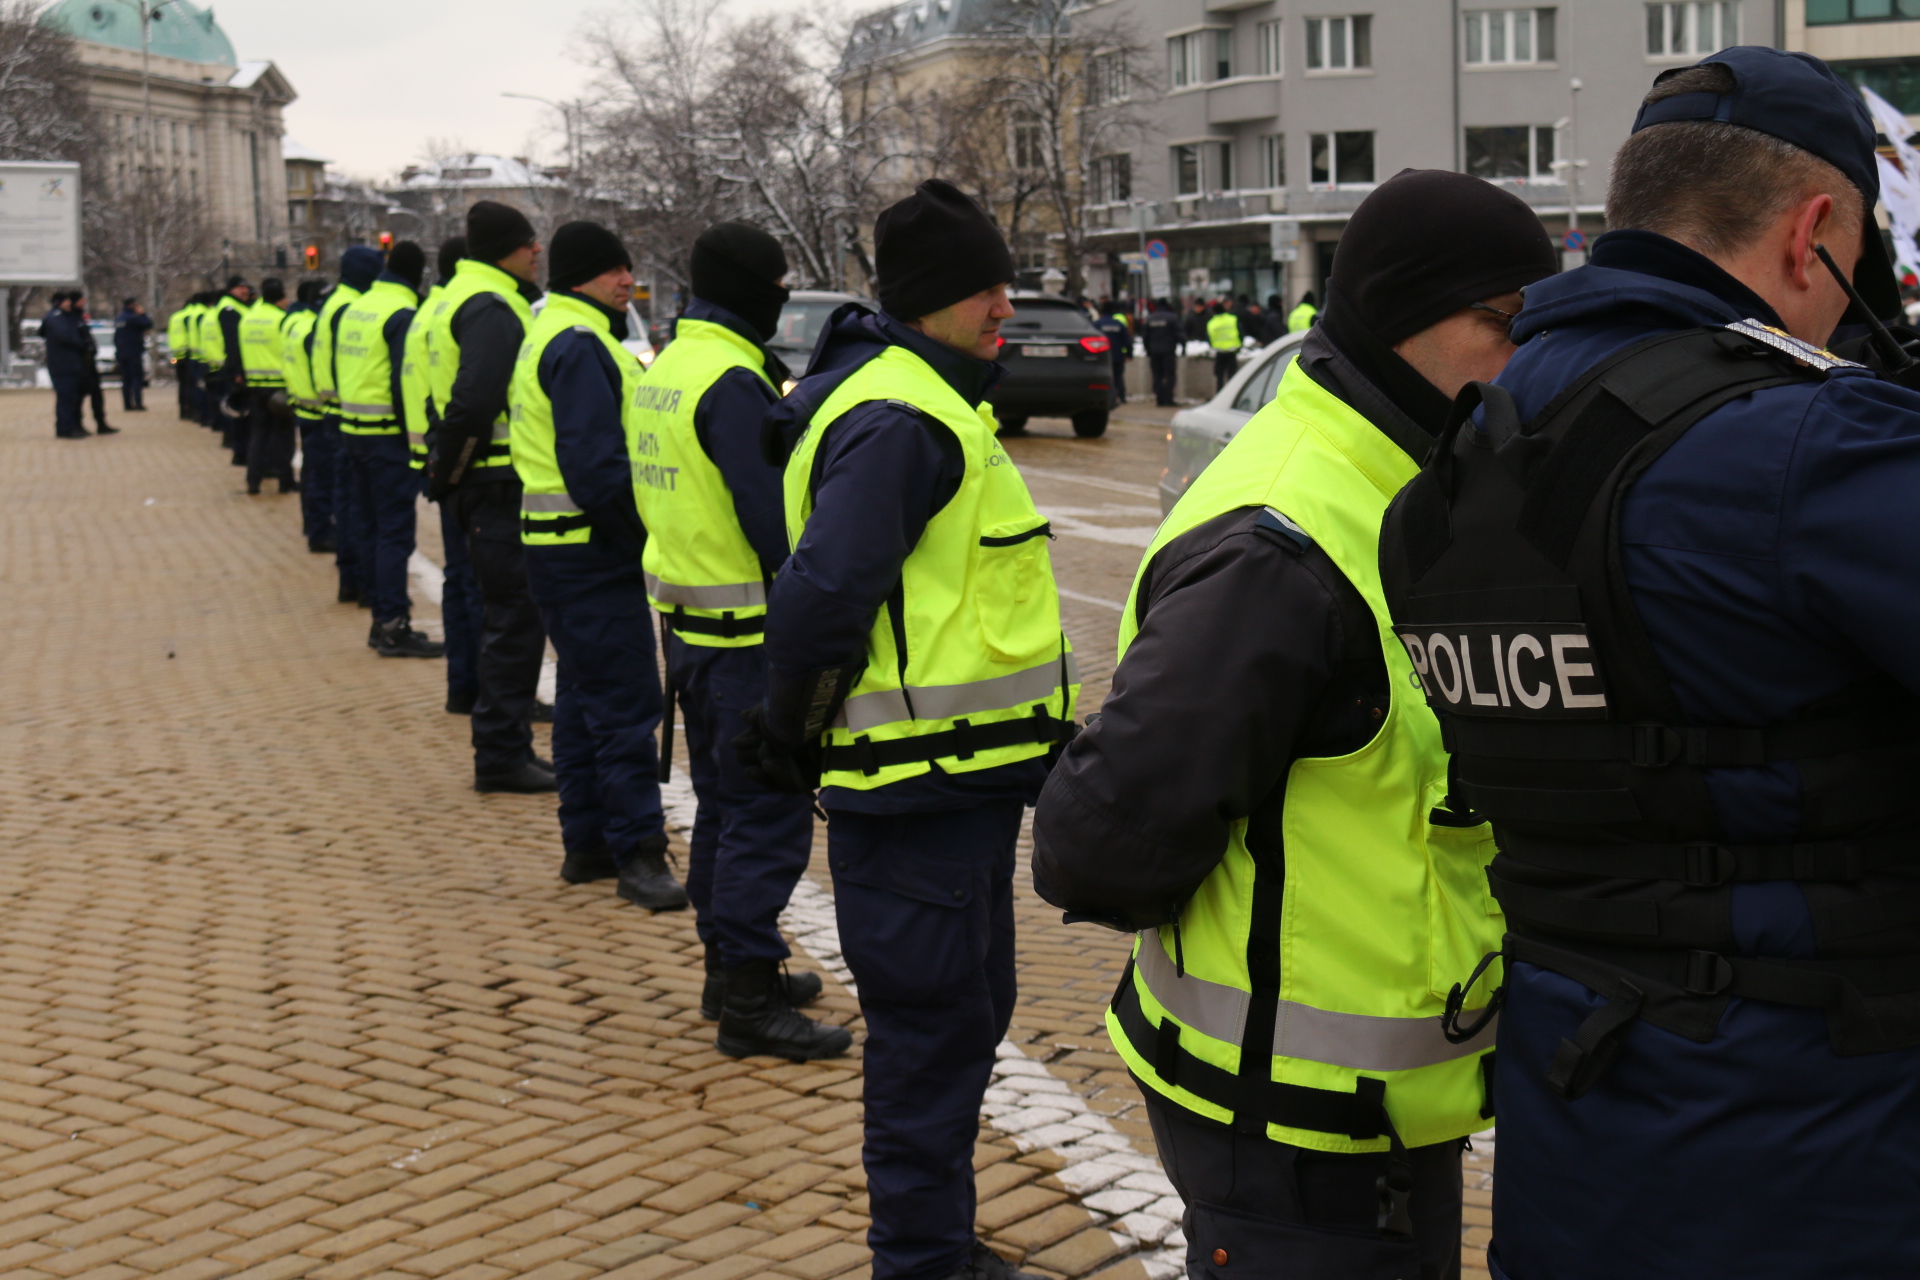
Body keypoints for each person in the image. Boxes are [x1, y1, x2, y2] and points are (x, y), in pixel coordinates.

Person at [1377, 49, 1920, 1280]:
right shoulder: (1806, 451)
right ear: (1815, 231)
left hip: (1584, 1141)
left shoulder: (1450, 488)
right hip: (1828, 1160)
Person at [1033, 168, 1556, 1279]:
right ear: (1409, 315)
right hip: (1287, 1131)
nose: (1523, 361)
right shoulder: (1290, 536)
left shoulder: (1397, 482)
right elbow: (1098, 835)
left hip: (1364, 1107)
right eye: (1503, 324)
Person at [746, 179, 1076, 1280]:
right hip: (915, 803)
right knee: (932, 1046)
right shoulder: (899, 415)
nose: (1003, 301)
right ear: (929, 297)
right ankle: (923, 1261)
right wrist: (790, 735)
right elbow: (822, 595)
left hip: (954, 799)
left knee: (960, 1029)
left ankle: (936, 1245)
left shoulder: (919, 400)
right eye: (983, 285)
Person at [629, 220, 843, 1057]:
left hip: (688, 629)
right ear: (751, 288)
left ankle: (732, 969)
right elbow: (777, 522)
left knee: (724, 813)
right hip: (748, 641)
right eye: (778, 280)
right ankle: (749, 998)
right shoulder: (729, 381)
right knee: (765, 818)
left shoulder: (671, 368)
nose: (785, 294)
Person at [505, 222, 681, 904]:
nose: (624, 281)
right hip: (588, 552)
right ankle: (639, 853)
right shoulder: (580, 345)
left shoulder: (556, 334)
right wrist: (642, 539)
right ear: (581, 277)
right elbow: (596, 469)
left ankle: (587, 845)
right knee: (626, 705)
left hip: (558, 549)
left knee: (582, 701)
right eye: (613, 271)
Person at [425, 201, 554, 793]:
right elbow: (476, 400)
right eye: (530, 243)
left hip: (478, 482)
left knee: (501, 615)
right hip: (498, 483)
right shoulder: (492, 307)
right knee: (514, 620)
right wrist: (451, 469)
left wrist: (445, 472)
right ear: (507, 248)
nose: (537, 252)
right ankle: (502, 752)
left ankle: (503, 744)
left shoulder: (450, 297)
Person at [335, 241, 444, 659]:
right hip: (387, 441)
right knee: (394, 536)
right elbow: (406, 385)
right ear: (418, 275)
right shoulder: (401, 314)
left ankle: (381, 620)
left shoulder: (358, 308)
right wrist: (419, 446)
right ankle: (394, 626)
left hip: (353, 434)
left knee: (370, 528)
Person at [407, 237, 485, 715]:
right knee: (476, 586)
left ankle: (463, 685)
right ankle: (478, 688)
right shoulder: (471, 311)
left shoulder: (430, 312)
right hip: (468, 467)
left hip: (434, 458)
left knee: (459, 580)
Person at [314, 249, 384, 605]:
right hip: (348, 417)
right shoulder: (350, 307)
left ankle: (351, 575)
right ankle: (358, 577)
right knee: (356, 504)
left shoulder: (336, 302)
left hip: (337, 412)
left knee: (348, 499)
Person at [282, 279, 333, 550]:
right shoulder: (312, 329)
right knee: (321, 479)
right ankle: (320, 532)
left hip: (303, 408)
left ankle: (312, 525)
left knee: (312, 475)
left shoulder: (293, 324)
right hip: (318, 412)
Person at [238, 278, 297, 495]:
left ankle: (253, 481)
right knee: (283, 436)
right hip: (279, 387)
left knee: (258, 435)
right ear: (280, 299)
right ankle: (285, 480)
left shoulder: (247, 318)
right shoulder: (282, 320)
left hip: (255, 386)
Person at [207, 278, 251, 461]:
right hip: (232, 367)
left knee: (235, 412)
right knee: (238, 412)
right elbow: (233, 342)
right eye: (240, 287)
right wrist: (237, 371)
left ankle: (236, 446)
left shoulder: (231, 307)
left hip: (225, 365)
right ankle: (239, 451)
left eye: (245, 287)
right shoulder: (230, 309)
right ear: (231, 289)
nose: (245, 290)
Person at [42, 292, 90, 439]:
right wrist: (82, 344)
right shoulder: (56, 317)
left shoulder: (64, 317)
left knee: (71, 397)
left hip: (70, 363)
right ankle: (65, 428)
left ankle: (68, 427)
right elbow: (65, 336)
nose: (69, 304)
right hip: (62, 365)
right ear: (59, 302)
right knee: (66, 398)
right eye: (67, 301)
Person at [72, 294, 116, 435]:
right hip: (80, 364)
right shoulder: (71, 319)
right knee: (78, 397)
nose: (84, 303)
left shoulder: (80, 318)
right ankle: (78, 424)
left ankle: (101, 423)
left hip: (89, 363)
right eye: (81, 300)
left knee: (96, 395)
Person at [114, 298, 152, 412]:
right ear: (132, 305)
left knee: (126, 379)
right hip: (134, 352)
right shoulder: (134, 318)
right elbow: (148, 324)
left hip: (121, 352)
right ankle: (138, 403)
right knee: (136, 378)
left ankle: (127, 404)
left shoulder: (119, 318)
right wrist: (142, 313)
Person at [167, 294, 201, 420]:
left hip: (177, 355)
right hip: (188, 354)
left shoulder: (175, 316)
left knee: (182, 385)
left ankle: (182, 410)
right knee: (191, 385)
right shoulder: (191, 316)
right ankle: (191, 410)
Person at [1141, 298, 1181, 406]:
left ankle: (1159, 398)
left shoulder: (1150, 318)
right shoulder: (1172, 317)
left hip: (1154, 352)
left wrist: (1148, 350)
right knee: (1169, 375)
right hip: (1168, 351)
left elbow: (1145, 337)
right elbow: (1179, 334)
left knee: (1157, 375)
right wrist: (1183, 347)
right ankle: (1168, 398)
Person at [1093, 305, 1131, 405]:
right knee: (1118, 377)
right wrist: (1129, 354)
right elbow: (1127, 340)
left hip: (1102, 356)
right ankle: (1122, 397)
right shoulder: (1118, 324)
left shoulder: (1097, 324)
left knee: (1106, 377)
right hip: (1118, 355)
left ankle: (1111, 398)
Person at [1205, 301, 1241, 392]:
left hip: (1219, 352)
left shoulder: (1211, 323)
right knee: (1232, 375)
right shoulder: (1232, 319)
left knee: (1219, 375)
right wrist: (1240, 345)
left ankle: (1220, 393)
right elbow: (1241, 332)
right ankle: (1232, 393)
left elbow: (1209, 337)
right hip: (1232, 350)